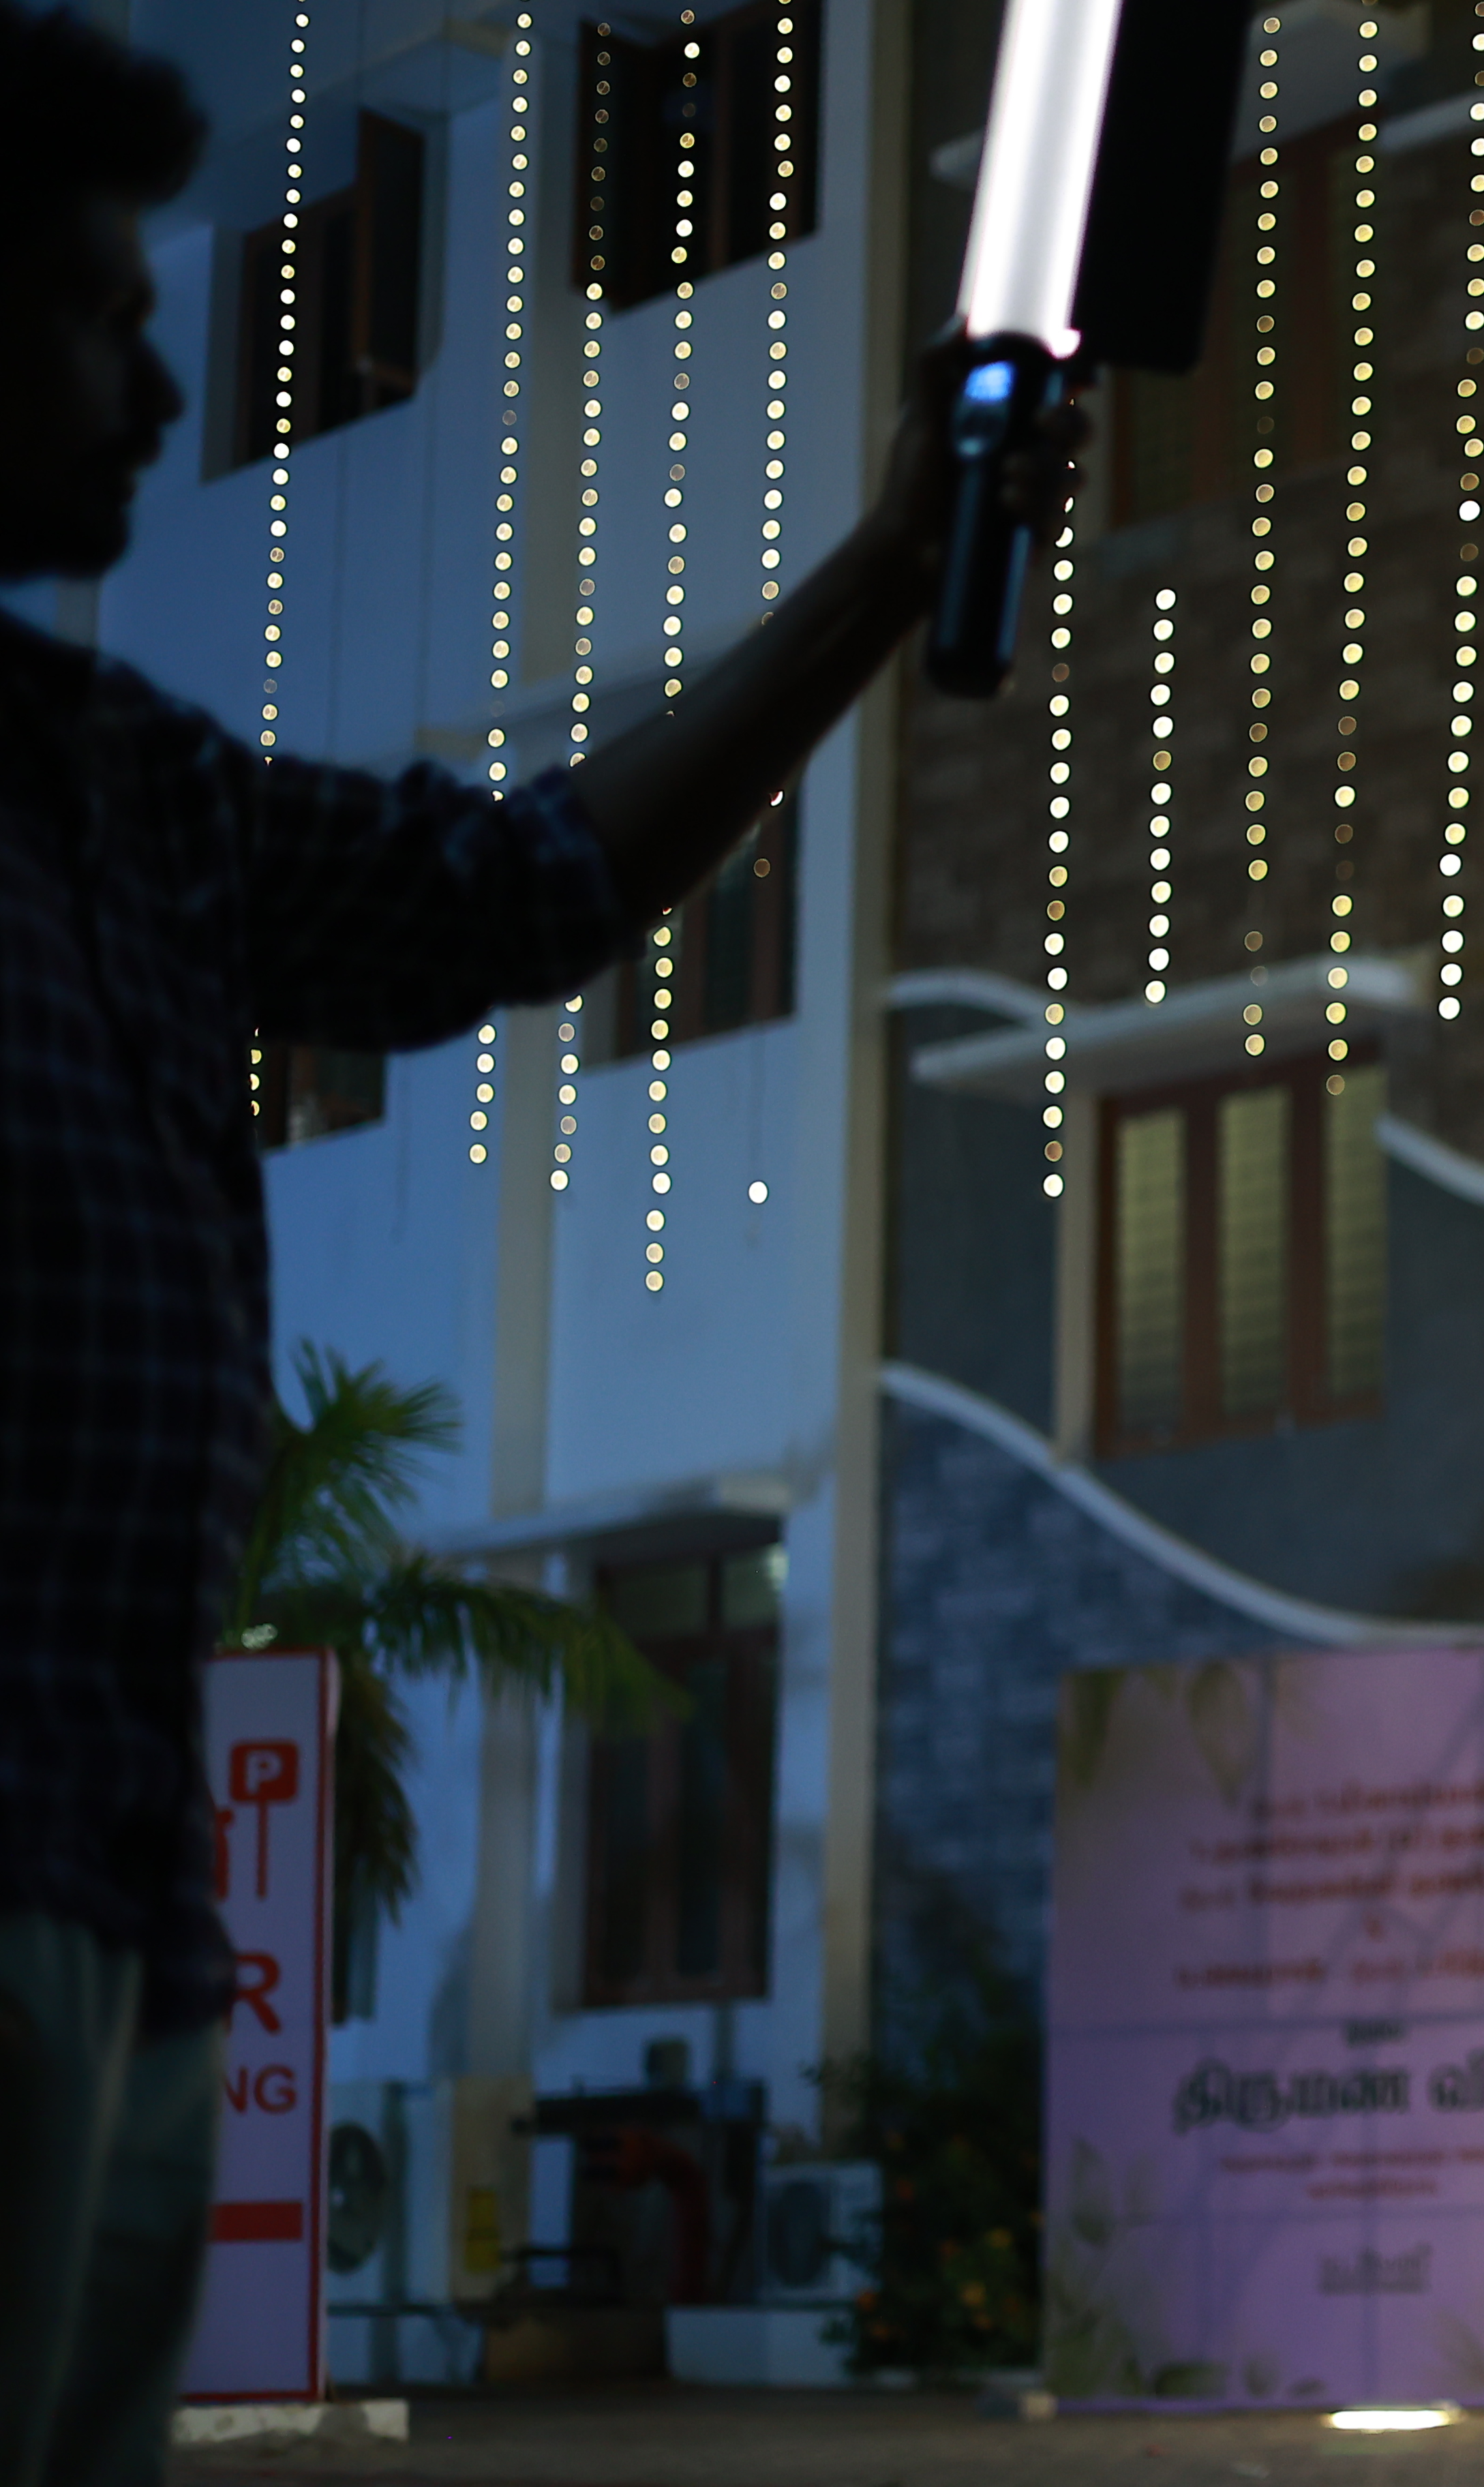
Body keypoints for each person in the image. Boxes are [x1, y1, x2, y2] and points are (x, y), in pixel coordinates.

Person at [0, 12, 1074, 2480]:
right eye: (86, 307)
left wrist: (891, 569)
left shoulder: (136, 788)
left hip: (130, 1902)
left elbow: (526, 885)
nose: (164, 370)